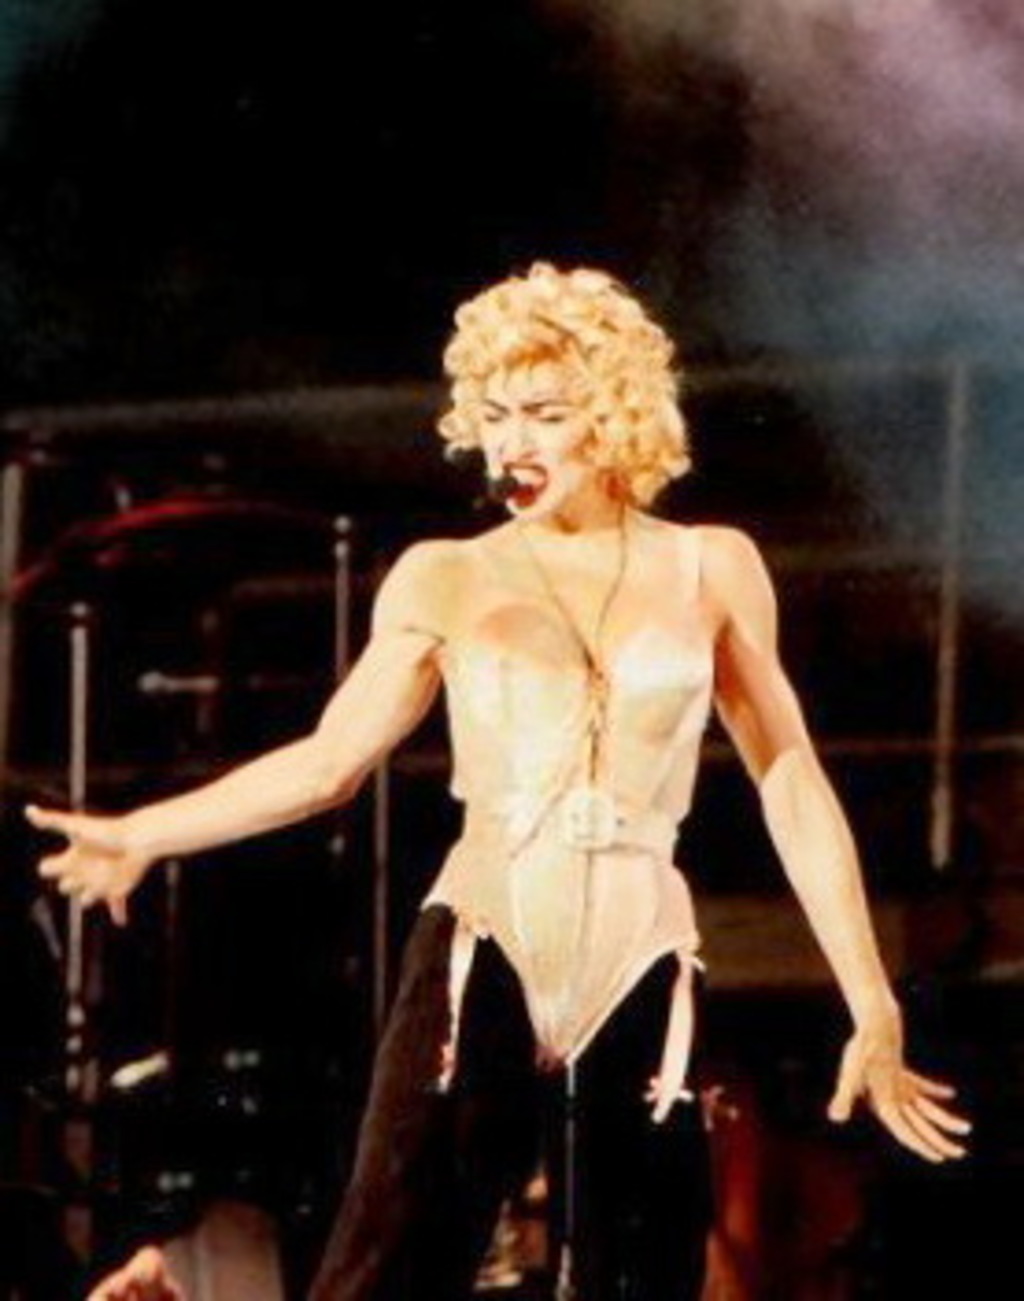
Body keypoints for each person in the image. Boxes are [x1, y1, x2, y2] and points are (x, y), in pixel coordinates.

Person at [28, 263, 970, 1301]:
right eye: (494, 414)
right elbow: (331, 761)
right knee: (386, 1262)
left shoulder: (712, 566)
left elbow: (788, 777)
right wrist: (147, 832)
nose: (512, 443)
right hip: (484, 941)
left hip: (641, 955)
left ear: (612, 414)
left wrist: (869, 999)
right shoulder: (448, 573)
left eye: (546, 414)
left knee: (643, 1270)